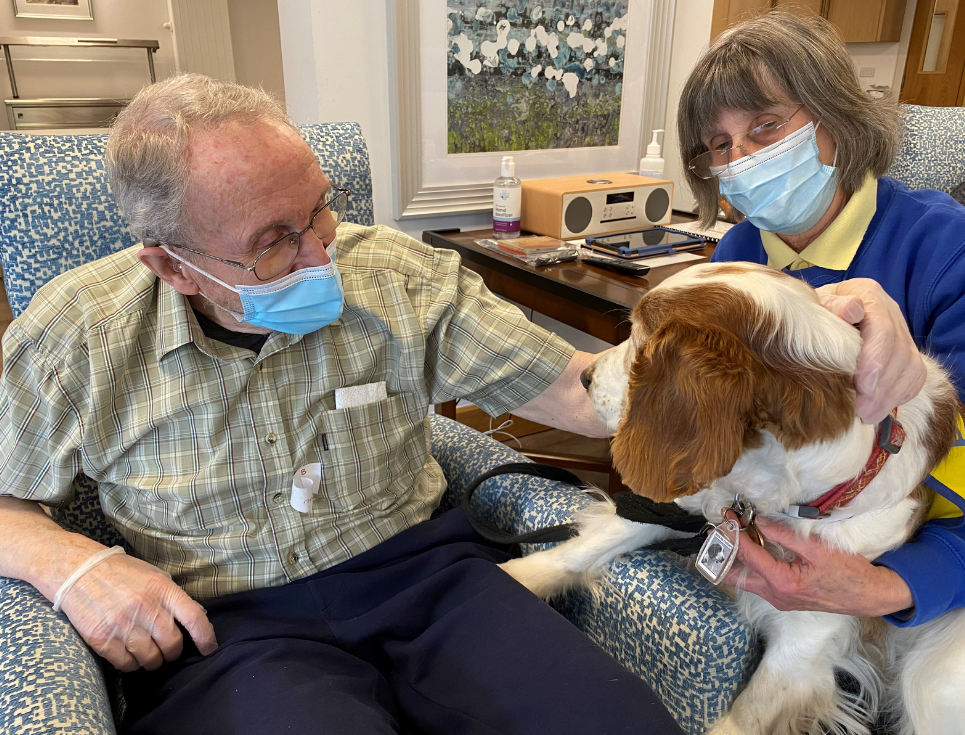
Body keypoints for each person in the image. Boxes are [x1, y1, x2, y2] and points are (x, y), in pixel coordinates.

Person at [0, 74, 687, 734]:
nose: (320, 255)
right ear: (174, 266)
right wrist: (72, 566)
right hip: (231, 632)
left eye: (318, 211)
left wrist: (752, 395)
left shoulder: (396, 278)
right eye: (274, 242)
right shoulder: (77, 333)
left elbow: (582, 391)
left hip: (428, 581)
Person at [676, 11, 965, 626]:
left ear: (834, 116)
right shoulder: (739, 254)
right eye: (721, 145)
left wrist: (891, 587)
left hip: (914, 562)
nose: (743, 158)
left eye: (766, 126)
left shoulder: (944, 251)